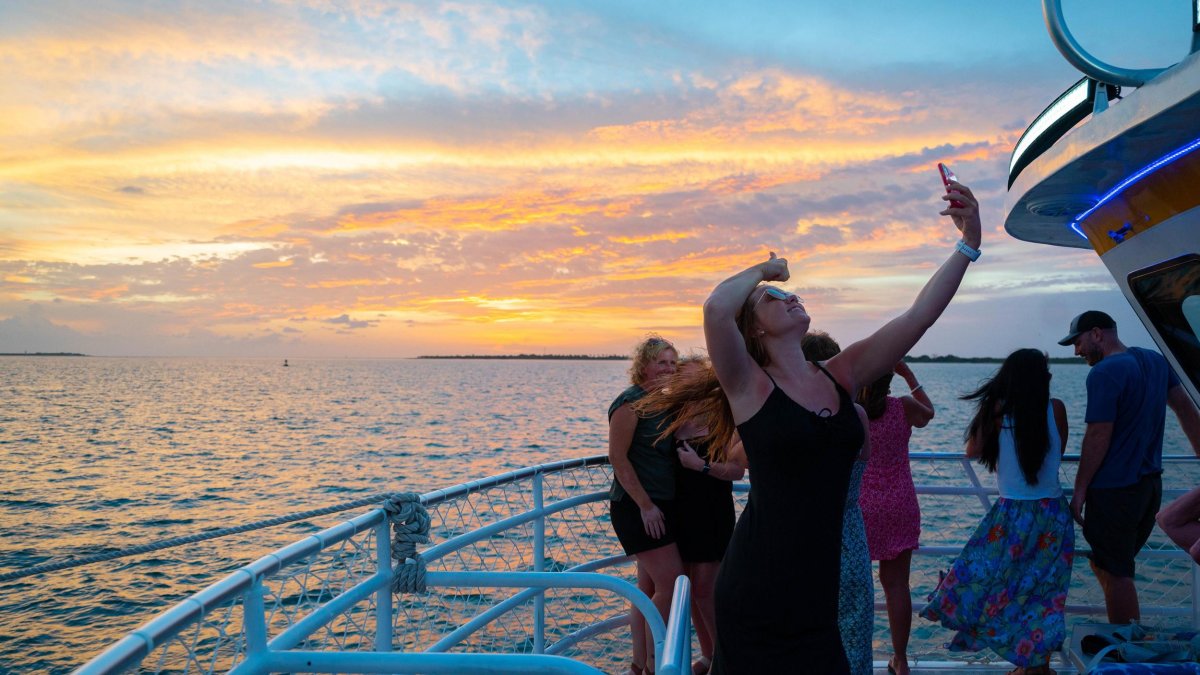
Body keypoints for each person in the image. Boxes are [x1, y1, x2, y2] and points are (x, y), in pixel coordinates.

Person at [689, 179, 981, 673]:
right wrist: (766, 269)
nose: (790, 296)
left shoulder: (841, 375)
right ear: (755, 328)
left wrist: (968, 244)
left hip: (821, 589)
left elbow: (920, 315)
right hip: (758, 587)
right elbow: (717, 309)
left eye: (790, 292)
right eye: (773, 298)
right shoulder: (749, 387)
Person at [920, 348, 1073, 675]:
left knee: (988, 582)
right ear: (1037, 378)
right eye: (1045, 371)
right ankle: (1035, 666)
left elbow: (972, 450)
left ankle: (1030, 667)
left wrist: (992, 407)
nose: (1050, 375)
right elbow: (1058, 449)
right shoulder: (1056, 409)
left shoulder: (999, 412)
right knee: (1044, 595)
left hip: (1012, 517)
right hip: (1053, 516)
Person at [1061, 310, 1200, 624]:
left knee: (1117, 572)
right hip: (1149, 488)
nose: (1077, 351)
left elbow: (1098, 434)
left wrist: (1079, 490)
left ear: (1097, 333)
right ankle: (1127, 631)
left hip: (1115, 490)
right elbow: (1184, 407)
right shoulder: (1154, 361)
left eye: (1078, 342)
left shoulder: (1104, 372)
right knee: (1106, 563)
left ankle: (1127, 644)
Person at [642, 355, 748, 675]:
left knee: (704, 590)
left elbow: (736, 471)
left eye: (691, 380)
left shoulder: (721, 419)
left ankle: (727, 659)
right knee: (685, 588)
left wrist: (700, 465)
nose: (685, 385)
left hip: (711, 513)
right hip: (680, 514)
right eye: (680, 380)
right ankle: (709, 654)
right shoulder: (670, 417)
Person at [608, 335, 683, 675]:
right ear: (645, 365)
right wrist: (646, 505)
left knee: (648, 589)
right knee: (672, 582)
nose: (668, 368)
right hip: (638, 509)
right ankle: (656, 663)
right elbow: (618, 458)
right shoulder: (630, 403)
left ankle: (639, 664)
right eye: (661, 362)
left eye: (672, 362)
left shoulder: (661, 402)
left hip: (659, 505)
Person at [856, 361, 934, 675]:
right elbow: (928, 413)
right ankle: (900, 660)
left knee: (856, 586)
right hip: (899, 503)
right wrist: (910, 375)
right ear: (890, 380)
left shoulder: (851, 411)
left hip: (860, 507)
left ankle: (853, 655)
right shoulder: (903, 408)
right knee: (897, 585)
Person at [804, 331, 874, 675]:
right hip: (849, 532)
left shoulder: (797, 417)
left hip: (805, 534)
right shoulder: (856, 414)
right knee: (853, 629)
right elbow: (864, 457)